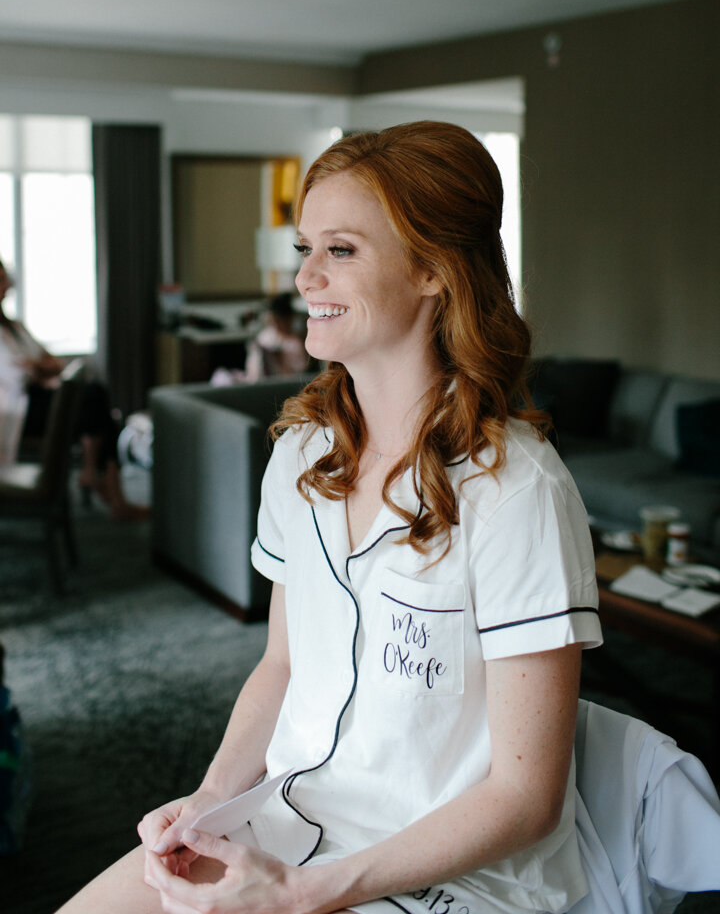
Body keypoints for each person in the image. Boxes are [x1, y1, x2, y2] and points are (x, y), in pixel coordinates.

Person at [58, 121, 602, 914]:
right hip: (294, 822)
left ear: (433, 271)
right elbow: (283, 667)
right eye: (305, 248)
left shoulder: (516, 491)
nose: (306, 277)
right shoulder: (301, 456)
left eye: (341, 250)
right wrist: (207, 801)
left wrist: (302, 896)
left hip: (448, 871)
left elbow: (525, 799)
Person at [0, 259, 148, 520]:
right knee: (94, 401)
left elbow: (54, 362)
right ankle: (108, 490)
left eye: (5, 279)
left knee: (97, 407)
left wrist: (38, 367)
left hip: (36, 396)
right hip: (18, 410)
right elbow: (19, 372)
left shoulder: (15, 327)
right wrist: (38, 368)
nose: (6, 287)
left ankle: (94, 475)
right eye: (1, 281)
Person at [210, 292, 310, 386]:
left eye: (279, 321)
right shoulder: (266, 335)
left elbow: (294, 379)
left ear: (288, 320)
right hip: (252, 379)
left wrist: (279, 360)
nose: (275, 324)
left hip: (273, 383)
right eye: (273, 320)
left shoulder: (294, 343)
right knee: (221, 376)